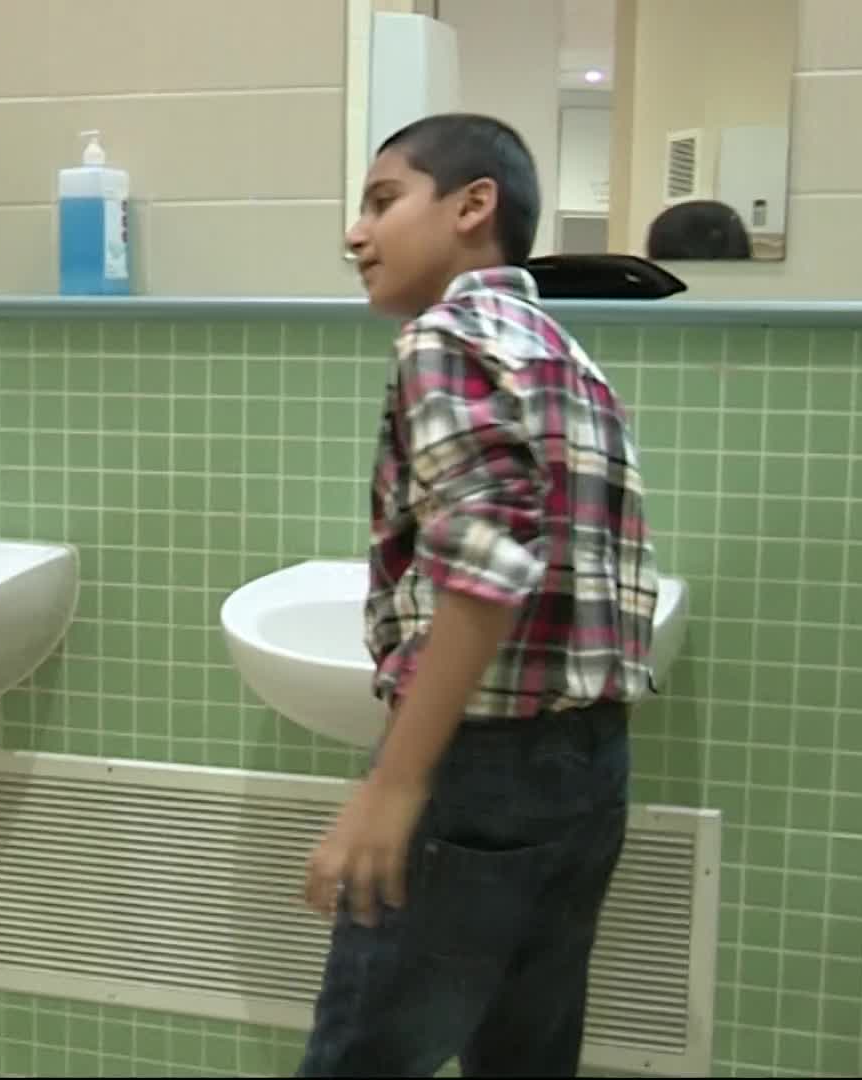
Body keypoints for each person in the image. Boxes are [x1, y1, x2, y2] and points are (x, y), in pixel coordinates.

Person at [297, 113, 662, 1077]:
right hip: (591, 767)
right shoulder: (564, 354)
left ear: (472, 206)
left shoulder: (444, 338)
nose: (355, 234)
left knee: (361, 1059)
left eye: (382, 201)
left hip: (478, 772)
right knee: (526, 1056)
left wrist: (395, 784)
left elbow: (488, 561)